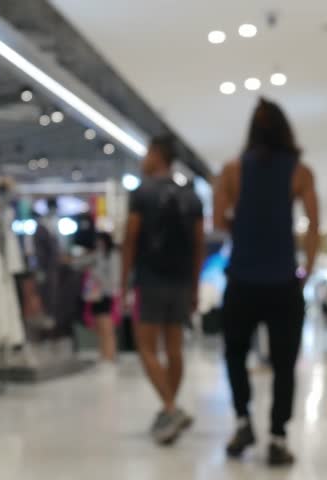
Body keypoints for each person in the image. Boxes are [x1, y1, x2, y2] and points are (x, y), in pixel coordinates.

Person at [213, 98, 320, 466]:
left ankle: (243, 420)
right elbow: (313, 229)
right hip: (283, 282)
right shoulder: (300, 172)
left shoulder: (230, 171)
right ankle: (277, 435)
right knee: (284, 362)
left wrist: (244, 231)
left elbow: (218, 221)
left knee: (234, 354)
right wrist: (306, 270)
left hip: (241, 279)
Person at [121, 135, 205, 445]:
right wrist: (195, 285)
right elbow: (199, 244)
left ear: (158, 155)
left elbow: (130, 239)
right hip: (182, 281)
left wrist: (123, 280)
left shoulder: (141, 193)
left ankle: (169, 408)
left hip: (150, 279)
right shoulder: (191, 196)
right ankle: (169, 409)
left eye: (147, 153)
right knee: (174, 349)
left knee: (146, 348)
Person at [84, 232, 118, 364]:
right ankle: (104, 353)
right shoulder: (97, 255)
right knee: (99, 326)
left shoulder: (113, 256)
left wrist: (96, 275)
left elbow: (113, 278)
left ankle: (110, 354)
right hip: (95, 295)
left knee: (107, 326)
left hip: (106, 294)